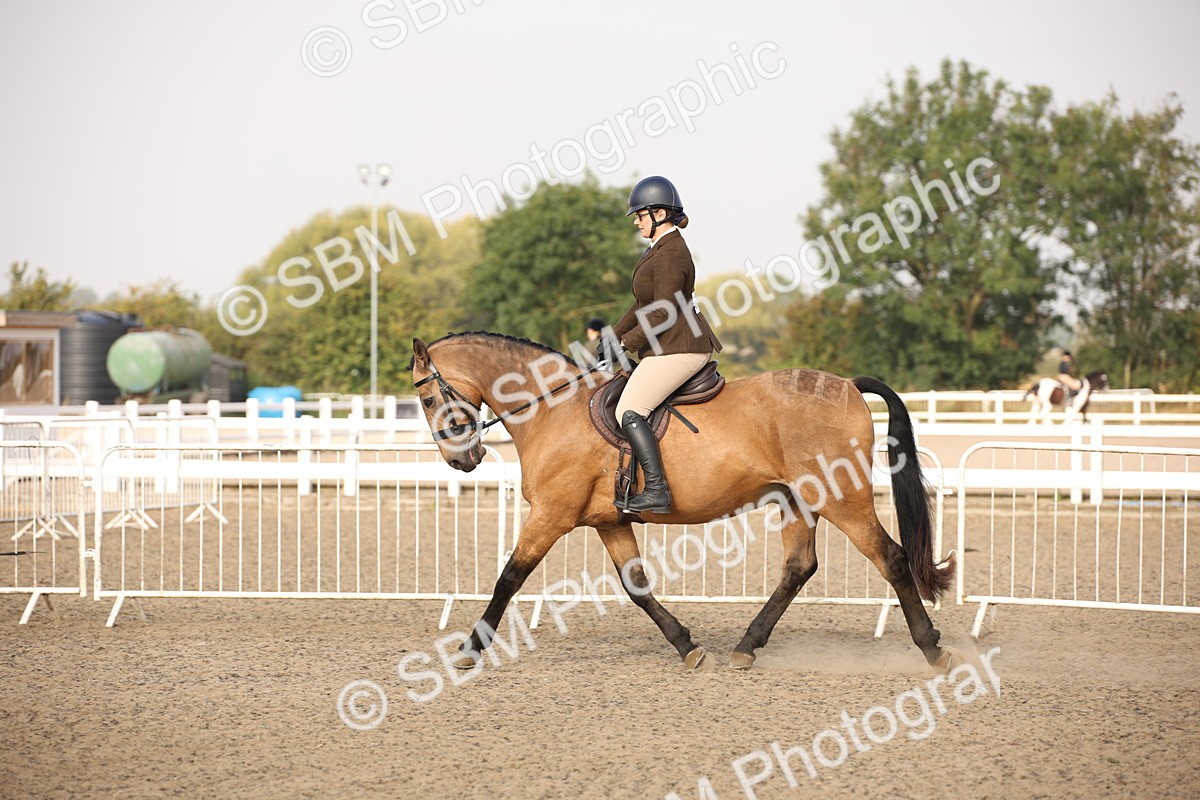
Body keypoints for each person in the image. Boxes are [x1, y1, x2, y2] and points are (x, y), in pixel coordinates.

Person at [604, 176, 722, 514]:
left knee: (630, 409)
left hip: (682, 346)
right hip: (667, 345)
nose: (637, 222)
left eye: (640, 216)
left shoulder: (672, 253)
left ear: (658, 214)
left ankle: (657, 489)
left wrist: (626, 344)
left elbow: (664, 311)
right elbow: (642, 303)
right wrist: (613, 336)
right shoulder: (658, 249)